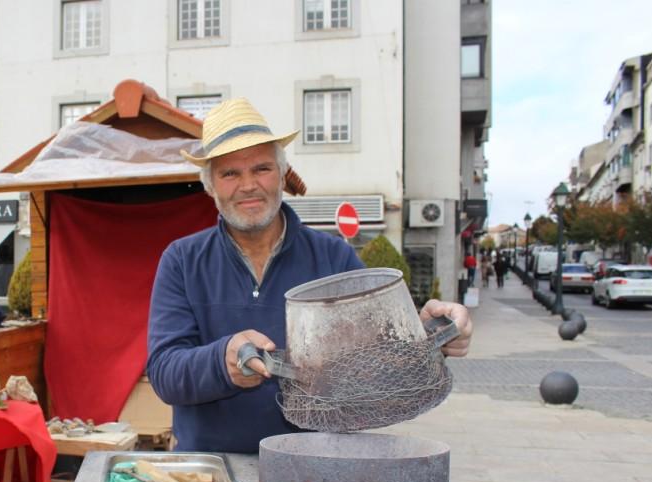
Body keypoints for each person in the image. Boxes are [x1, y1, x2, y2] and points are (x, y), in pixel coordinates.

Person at [146, 98, 473, 454]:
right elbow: (165, 372)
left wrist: (427, 332)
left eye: (261, 169)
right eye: (229, 174)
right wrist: (221, 360)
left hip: (319, 464)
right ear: (210, 186)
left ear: (283, 176)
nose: (248, 185)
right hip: (213, 470)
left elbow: (382, 358)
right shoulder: (182, 260)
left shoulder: (334, 257)